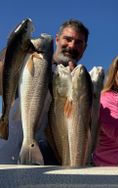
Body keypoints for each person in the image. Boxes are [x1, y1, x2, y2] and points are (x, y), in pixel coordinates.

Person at [36, 19, 89, 165]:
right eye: (68, 39)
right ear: (57, 39)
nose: (72, 46)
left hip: (69, 156)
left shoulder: (86, 80)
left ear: (84, 48)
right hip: (25, 153)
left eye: (79, 43)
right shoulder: (35, 66)